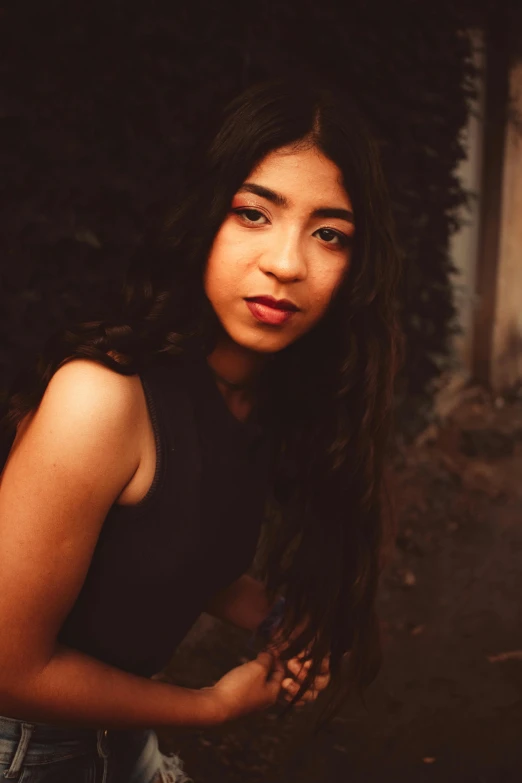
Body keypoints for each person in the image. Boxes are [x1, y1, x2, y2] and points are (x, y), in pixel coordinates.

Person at [0, 77, 402, 782]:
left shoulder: (264, 391)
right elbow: (5, 668)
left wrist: (272, 614)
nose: (285, 263)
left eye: (329, 233)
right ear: (204, 212)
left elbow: (161, 543)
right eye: (254, 214)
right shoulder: (102, 400)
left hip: (117, 741)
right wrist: (211, 705)